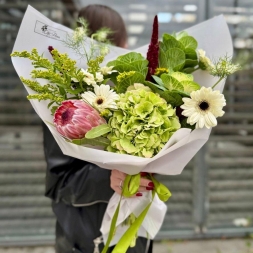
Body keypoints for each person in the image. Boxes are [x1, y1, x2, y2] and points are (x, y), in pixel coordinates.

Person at [43, 4, 154, 253]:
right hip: (85, 240)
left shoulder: (138, 96)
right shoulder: (65, 108)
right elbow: (58, 183)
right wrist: (108, 178)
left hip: (135, 233)